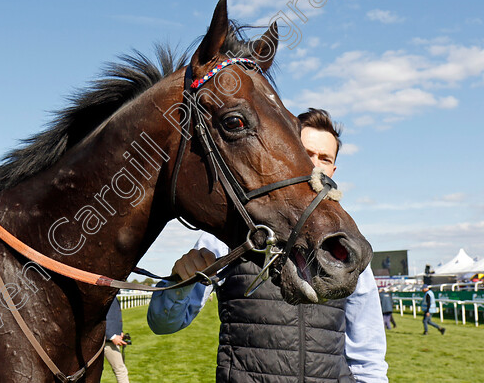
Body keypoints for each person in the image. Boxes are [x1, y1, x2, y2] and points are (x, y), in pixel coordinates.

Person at [148, 108, 388, 382]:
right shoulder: (233, 231)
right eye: (306, 153)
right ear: (286, 152)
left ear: (333, 170)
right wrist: (181, 283)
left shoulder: (345, 245)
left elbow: (368, 357)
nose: (314, 164)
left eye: (325, 158)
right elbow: (163, 323)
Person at [104, 297, 130, 383]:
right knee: (121, 370)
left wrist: (120, 332)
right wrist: (111, 336)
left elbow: (113, 316)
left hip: (109, 339)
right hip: (107, 341)